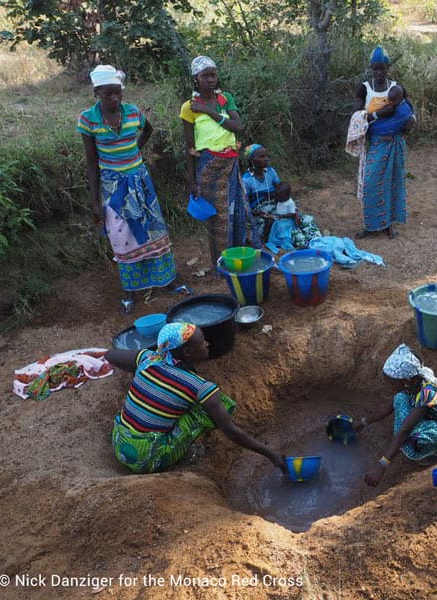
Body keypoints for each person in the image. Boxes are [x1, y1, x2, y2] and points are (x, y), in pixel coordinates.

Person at [106, 322, 286, 474]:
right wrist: (272, 455)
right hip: (148, 459)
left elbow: (110, 355)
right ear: (187, 352)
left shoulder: (147, 358)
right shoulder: (198, 386)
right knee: (210, 409)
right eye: (202, 342)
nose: (207, 344)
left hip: (120, 443)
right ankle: (182, 454)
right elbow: (231, 431)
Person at [78, 65, 177, 315]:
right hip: (114, 188)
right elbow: (91, 162)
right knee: (121, 236)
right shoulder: (88, 119)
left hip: (140, 181)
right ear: (96, 92)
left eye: (117, 93)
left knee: (154, 230)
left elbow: (149, 129)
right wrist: (95, 201)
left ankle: (165, 281)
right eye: (108, 93)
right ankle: (130, 290)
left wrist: (136, 150)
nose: (114, 98)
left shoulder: (133, 113)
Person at [355, 344, 437, 487]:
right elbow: (388, 406)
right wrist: (361, 423)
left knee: (411, 447)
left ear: (407, 380)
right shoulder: (415, 382)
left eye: (391, 382)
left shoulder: (428, 394)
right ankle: (429, 433)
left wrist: (382, 464)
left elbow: (405, 429)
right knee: (399, 398)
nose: (388, 385)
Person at [181, 56, 245, 268]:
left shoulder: (224, 99)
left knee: (237, 211)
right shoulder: (188, 108)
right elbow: (190, 147)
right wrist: (192, 181)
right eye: (205, 75)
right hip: (209, 167)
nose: (210, 79)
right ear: (195, 79)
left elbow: (237, 126)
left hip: (231, 163)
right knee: (219, 218)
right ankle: (222, 264)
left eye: (213, 75)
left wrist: (208, 111)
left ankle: (240, 257)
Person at [353, 46, 416, 240]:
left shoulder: (396, 88)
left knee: (392, 183)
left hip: (395, 143)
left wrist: (411, 121)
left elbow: (410, 110)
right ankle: (371, 225)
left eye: (382, 68)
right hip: (376, 144)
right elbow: (357, 116)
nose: (379, 73)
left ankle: (388, 225)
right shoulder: (365, 88)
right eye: (375, 69)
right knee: (371, 183)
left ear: (388, 68)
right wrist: (378, 114)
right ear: (371, 68)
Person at [264, 182, 322, 253]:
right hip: (280, 220)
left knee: (283, 229)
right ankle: (275, 239)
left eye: (280, 197)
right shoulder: (280, 200)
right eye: (277, 197)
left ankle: (287, 241)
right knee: (276, 227)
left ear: (287, 195)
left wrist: (283, 216)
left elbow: (292, 214)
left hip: (288, 221)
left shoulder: (290, 203)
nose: (278, 199)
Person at [242, 144, 281, 248]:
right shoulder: (246, 180)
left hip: (274, 207)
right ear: (251, 160)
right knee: (266, 225)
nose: (266, 159)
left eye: (266, 156)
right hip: (258, 213)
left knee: (303, 219)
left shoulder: (271, 172)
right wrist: (257, 213)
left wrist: (289, 206)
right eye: (261, 157)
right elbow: (245, 205)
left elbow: (281, 190)